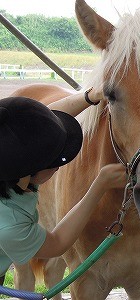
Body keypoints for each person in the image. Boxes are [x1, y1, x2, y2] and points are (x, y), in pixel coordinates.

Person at [0, 88, 127, 285]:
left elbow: (43, 119)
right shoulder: (10, 224)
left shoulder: (10, 163)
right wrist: (99, 186)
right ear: (26, 174)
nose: (59, 166)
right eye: (55, 161)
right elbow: (57, 243)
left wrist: (89, 97)